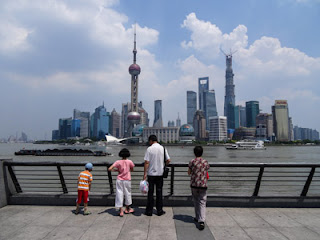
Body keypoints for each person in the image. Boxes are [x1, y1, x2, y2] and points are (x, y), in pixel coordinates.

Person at [143, 135, 170, 216]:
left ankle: (149, 211)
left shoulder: (149, 149)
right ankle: (159, 210)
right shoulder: (163, 148)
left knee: (150, 193)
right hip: (160, 174)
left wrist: (144, 174)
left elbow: (147, 162)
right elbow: (168, 160)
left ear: (151, 141)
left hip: (151, 174)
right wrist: (162, 164)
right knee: (159, 192)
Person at [188, 146, 210, 230]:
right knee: (202, 202)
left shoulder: (192, 162)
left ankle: (197, 217)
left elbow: (189, 173)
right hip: (203, 185)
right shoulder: (205, 162)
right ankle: (202, 220)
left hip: (194, 184)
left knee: (196, 200)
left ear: (194, 153)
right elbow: (207, 169)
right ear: (202, 152)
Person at [108, 148, 135, 217]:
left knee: (119, 194)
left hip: (119, 180)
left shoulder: (118, 162)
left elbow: (110, 169)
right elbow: (132, 169)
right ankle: (127, 209)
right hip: (127, 180)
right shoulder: (130, 162)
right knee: (127, 194)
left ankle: (121, 211)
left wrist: (117, 170)